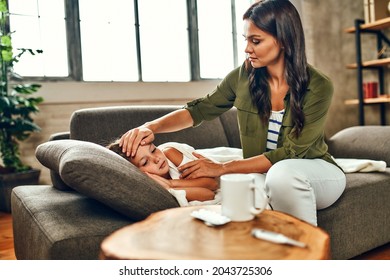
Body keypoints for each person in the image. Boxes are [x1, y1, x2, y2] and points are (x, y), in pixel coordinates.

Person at [119, 0, 346, 226]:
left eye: (256, 41)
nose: (247, 48)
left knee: (282, 174)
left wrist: (223, 167)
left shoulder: (318, 86)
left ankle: (306, 256)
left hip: (313, 172)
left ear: (284, 40)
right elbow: (199, 109)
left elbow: (291, 153)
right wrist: (151, 127)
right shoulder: (243, 77)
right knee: (242, 191)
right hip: (267, 175)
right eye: (246, 39)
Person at [107, 139, 231, 206]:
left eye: (153, 150)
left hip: (228, 162)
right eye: (145, 162)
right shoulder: (155, 187)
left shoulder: (169, 153)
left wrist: (171, 184)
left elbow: (212, 183)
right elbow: (208, 194)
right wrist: (168, 188)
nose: (156, 158)